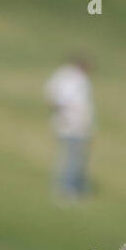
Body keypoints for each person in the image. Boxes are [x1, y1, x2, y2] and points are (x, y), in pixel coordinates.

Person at [44, 56, 95, 201]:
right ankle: (67, 189)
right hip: (71, 124)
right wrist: (67, 116)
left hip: (77, 125)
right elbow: (58, 100)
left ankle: (73, 187)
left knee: (76, 159)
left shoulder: (67, 77)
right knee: (72, 159)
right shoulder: (72, 79)